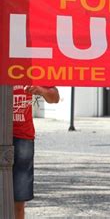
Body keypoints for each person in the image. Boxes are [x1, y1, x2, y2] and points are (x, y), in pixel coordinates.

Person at [13, 85, 60, 219]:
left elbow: (55, 98)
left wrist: (42, 91)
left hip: (23, 137)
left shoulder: (32, 69)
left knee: (19, 201)